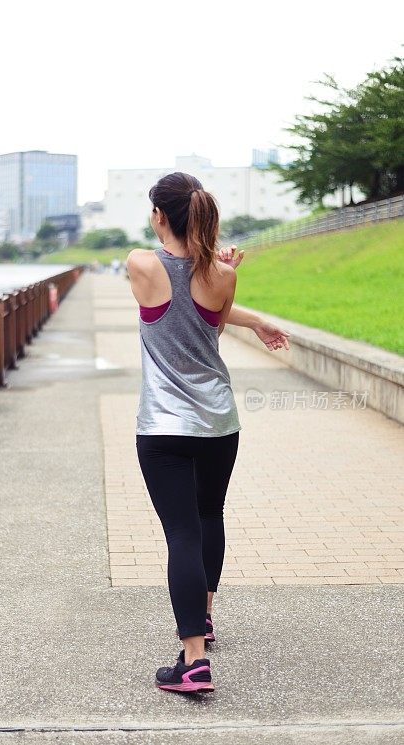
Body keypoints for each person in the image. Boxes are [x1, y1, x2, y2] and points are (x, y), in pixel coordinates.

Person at [126, 172, 291, 694]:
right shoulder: (222, 276)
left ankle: (193, 659)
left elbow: (170, 306)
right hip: (218, 423)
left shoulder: (140, 264)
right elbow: (210, 322)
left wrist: (212, 266)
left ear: (159, 216)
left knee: (181, 533)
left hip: (163, 427)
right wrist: (250, 310)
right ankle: (205, 615)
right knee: (207, 516)